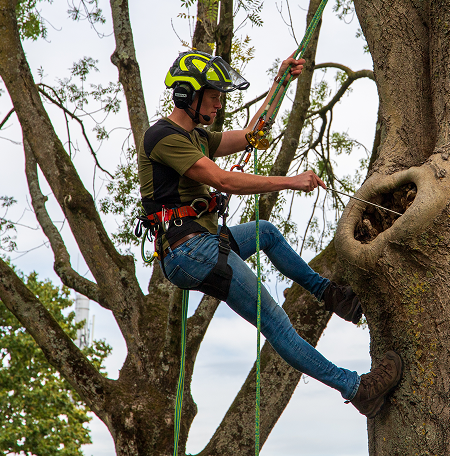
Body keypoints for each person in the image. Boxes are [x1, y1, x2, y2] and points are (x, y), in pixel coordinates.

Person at [137, 49, 402, 418]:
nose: (218, 104)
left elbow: (252, 136)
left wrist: (281, 82)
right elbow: (223, 179)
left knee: (265, 232)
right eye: (213, 97)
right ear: (188, 95)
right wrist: (289, 182)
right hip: (189, 252)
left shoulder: (196, 136)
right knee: (277, 323)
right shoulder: (163, 137)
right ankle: (358, 389)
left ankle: (333, 296)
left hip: (204, 244)